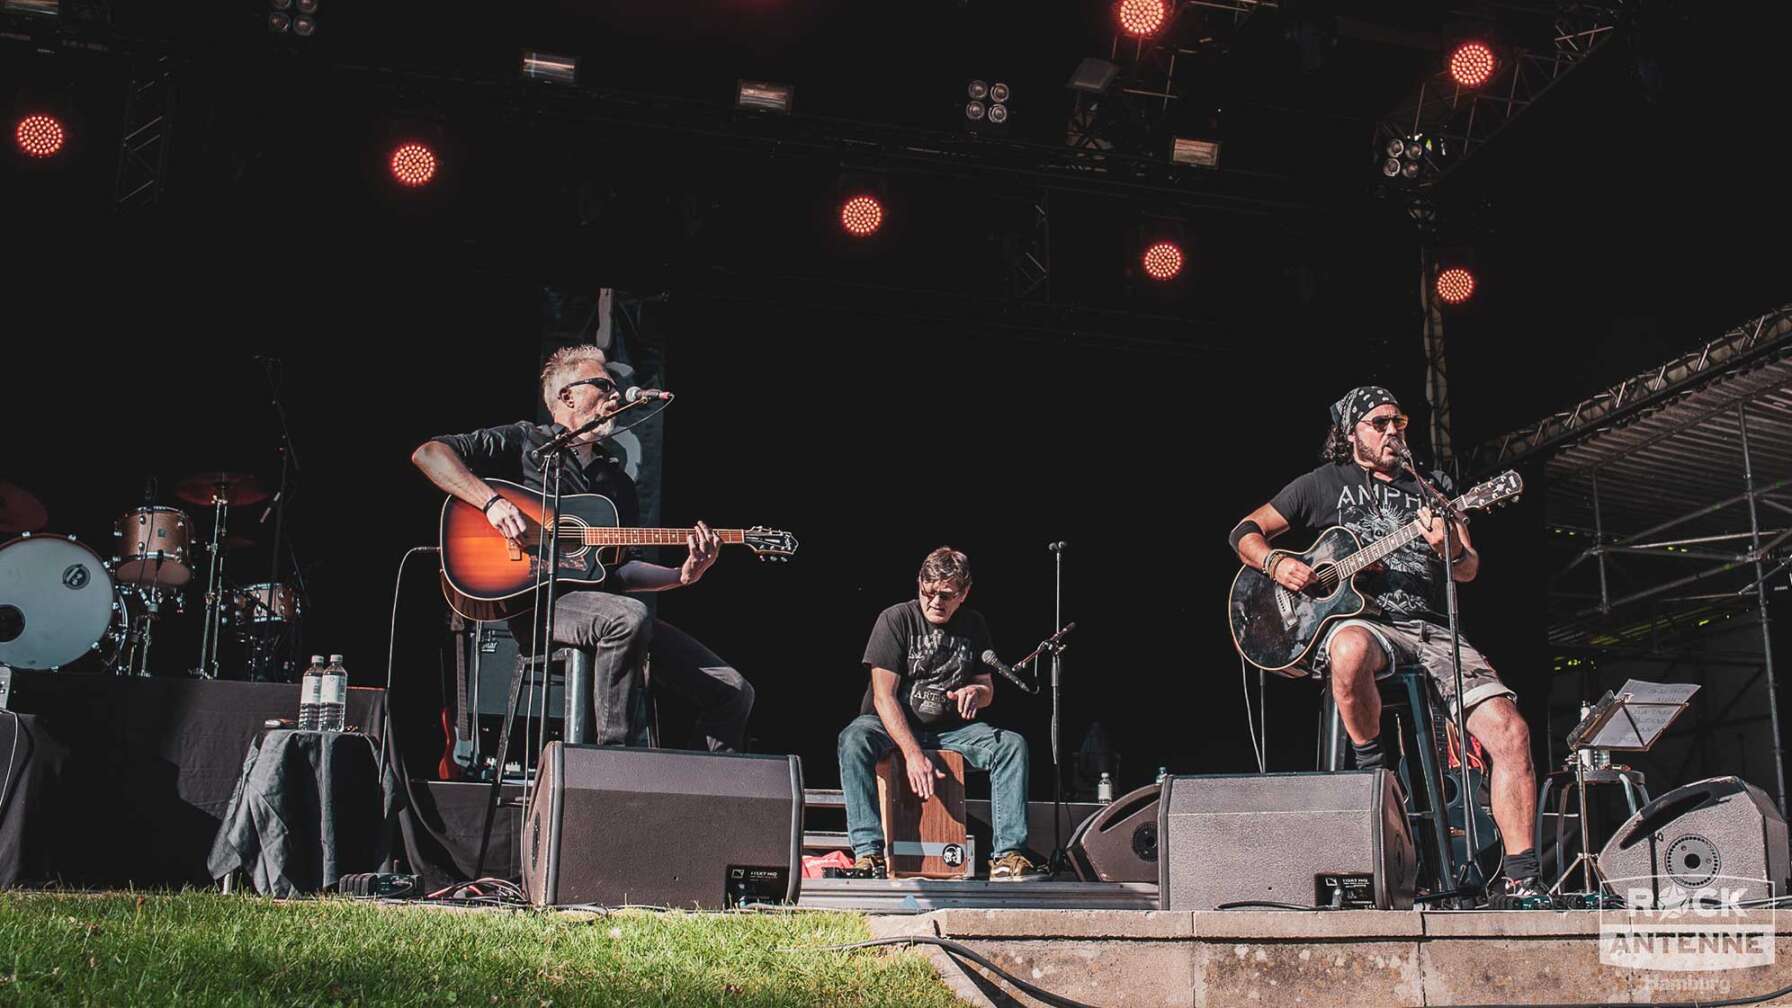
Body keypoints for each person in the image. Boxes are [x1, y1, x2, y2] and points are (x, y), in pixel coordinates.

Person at [1226, 385, 1544, 908]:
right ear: (1352, 433)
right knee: (1349, 647)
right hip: (1368, 626)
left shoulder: (1433, 487)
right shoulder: (1322, 485)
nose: (1393, 430)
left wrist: (1450, 549)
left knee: (1510, 731)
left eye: (1399, 421)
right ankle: (1376, 771)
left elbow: (1469, 570)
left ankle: (1522, 878)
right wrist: (1277, 563)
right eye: (1379, 422)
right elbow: (1243, 531)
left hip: (1432, 628)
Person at [411, 344, 753, 751]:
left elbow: (622, 572)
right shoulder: (524, 445)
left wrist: (683, 575)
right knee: (626, 617)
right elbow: (429, 454)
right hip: (536, 607)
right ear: (567, 395)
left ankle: (702, 801)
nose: (614, 394)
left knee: (733, 691)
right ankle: (614, 759)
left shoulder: (616, 483)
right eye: (603, 384)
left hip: (606, 608)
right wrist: (492, 502)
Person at [836, 547, 1046, 881]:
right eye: (928, 592)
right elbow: (883, 696)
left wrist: (976, 693)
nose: (936, 602)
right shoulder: (896, 619)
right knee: (853, 738)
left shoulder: (974, 624)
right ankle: (868, 853)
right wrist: (912, 753)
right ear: (919, 583)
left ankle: (1007, 855)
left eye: (946, 595)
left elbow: (986, 688)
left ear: (964, 593)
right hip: (890, 724)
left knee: (1011, 745)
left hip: (949, 730)